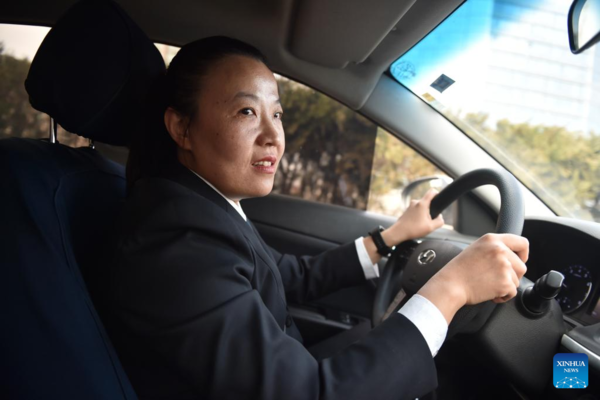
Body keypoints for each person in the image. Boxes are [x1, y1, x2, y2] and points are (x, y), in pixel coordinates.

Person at [107, 36, 528, 400]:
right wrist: (451, 288)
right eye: (246, 112)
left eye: (277, 114)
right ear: (181, 128)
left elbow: (288, 276)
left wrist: (393, 236)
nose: (274, 136)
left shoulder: (201, 207)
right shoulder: (177, 240)